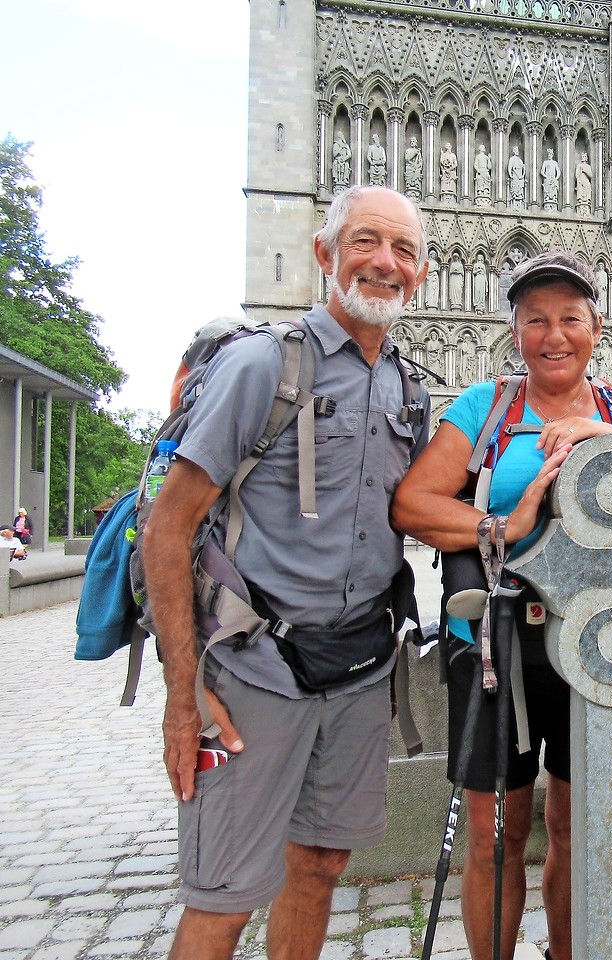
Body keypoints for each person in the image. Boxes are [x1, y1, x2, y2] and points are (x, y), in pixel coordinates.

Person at [143, 185, 430, 960]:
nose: (384, 262)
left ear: (423, 273)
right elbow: (167, 527)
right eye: (366, 241)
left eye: (404, 250)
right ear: (324, 253)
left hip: (359, 671)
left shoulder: (409, 387)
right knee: (225, 897)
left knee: (320, 867)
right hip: (254, 673)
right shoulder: (261, 365)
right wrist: (181, 692)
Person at [391, 251, 612, 960]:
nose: (554, 334)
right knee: (493, 832)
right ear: (515, 332)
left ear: (597, 328)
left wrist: (606, 438)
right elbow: (412, 503)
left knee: (576, 825)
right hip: (493, 642)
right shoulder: (485, 407)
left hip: (598, 646)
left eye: (570, 318)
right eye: (536, 319)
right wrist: (501, 528)